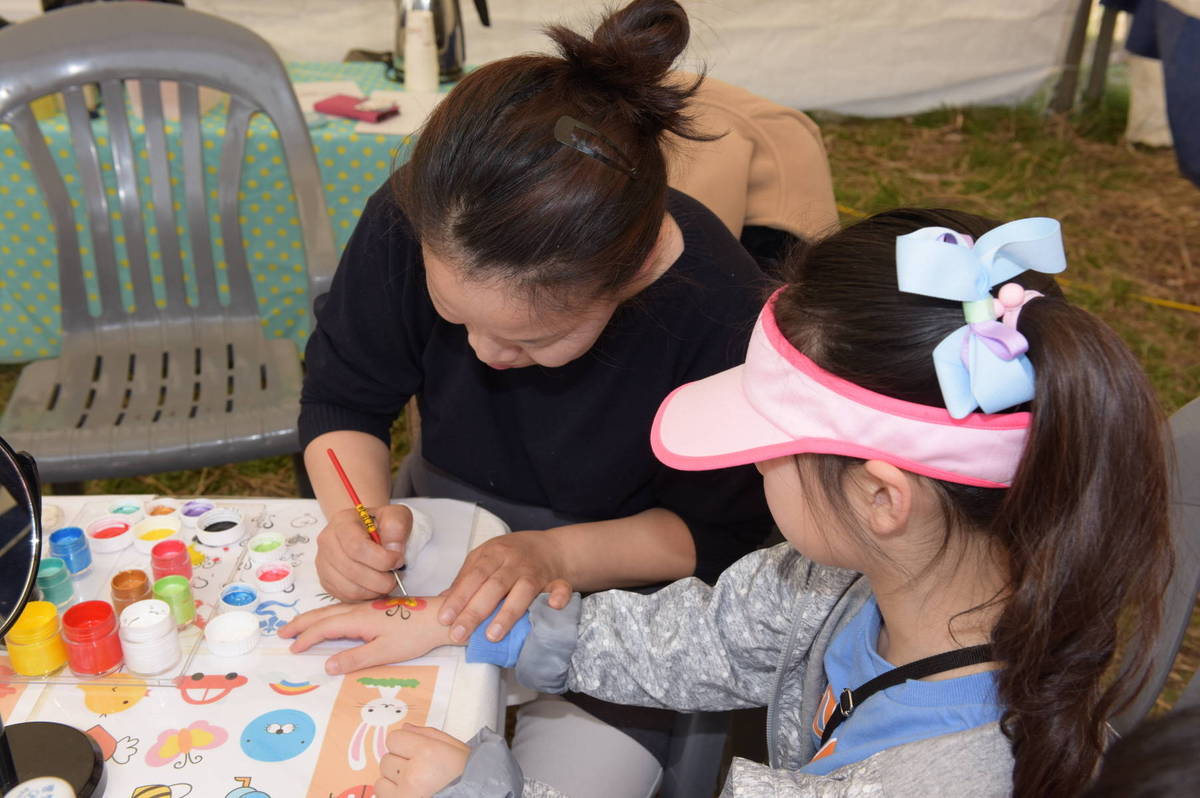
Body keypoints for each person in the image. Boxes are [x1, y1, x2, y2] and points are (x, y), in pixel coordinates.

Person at [284, 209, 1174, 796]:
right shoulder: (871, 581)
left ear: (882, 496)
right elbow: (704, 638)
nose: (752, 469)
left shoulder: (939, 776)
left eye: (770, 449)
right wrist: (475, 625)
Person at [297, 0, 774, 793]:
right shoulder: (418, 216)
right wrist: (357, 518)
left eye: (531, 340)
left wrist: (554, 555)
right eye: (455, 317)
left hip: (623, 596)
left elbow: (713, 533)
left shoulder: (721, 315)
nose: (484, 353)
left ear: (629, 277)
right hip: (441, 534)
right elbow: (345, 398)